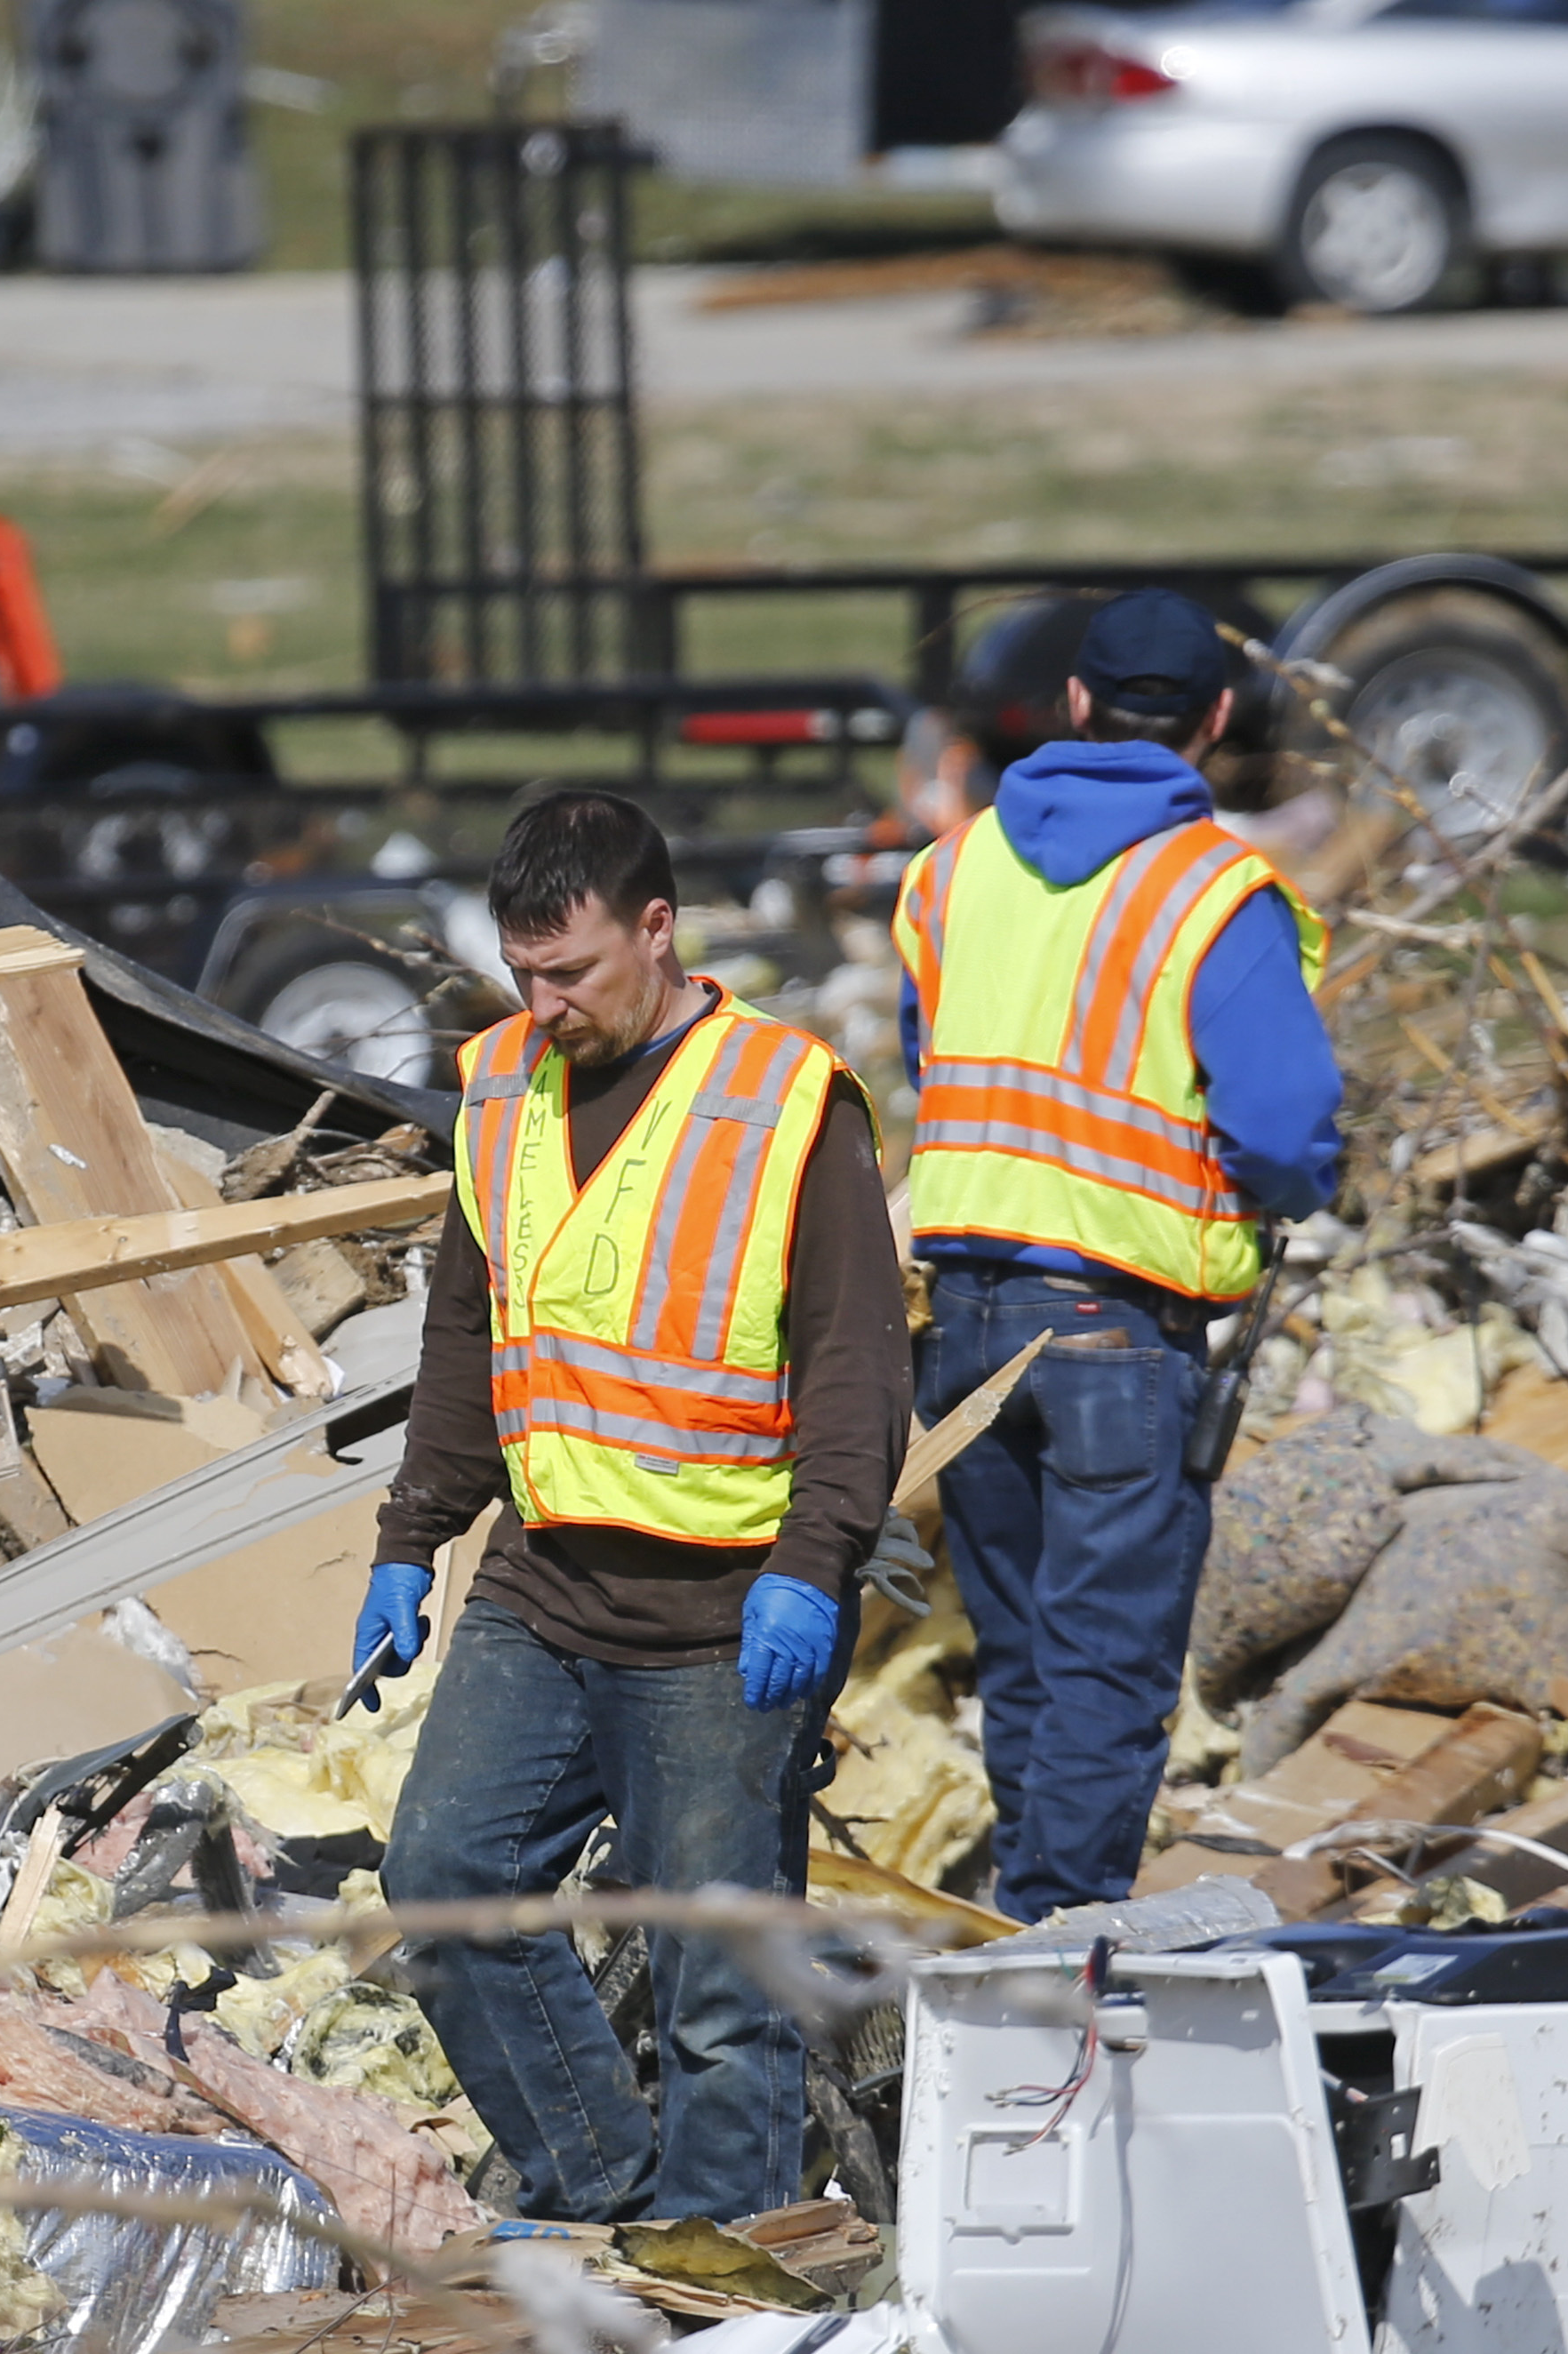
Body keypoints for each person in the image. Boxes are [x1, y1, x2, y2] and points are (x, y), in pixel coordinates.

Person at [362, 792, 905, 2226]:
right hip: (540, 1587)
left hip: (726, 1612)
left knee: (719, 1984)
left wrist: (816, 1558)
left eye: (573, 974)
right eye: (522, 973)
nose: (543, 1006)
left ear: (658, 931)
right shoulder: (497, 1087)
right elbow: (465, 1337)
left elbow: (856, 1363)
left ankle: (723, 2262)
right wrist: (410, 1537)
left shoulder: (784, 1101)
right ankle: (599, 2178)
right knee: (444, 1877)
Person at [896, 588, 1341, 1922]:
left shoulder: (956, 868)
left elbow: (933, 1060)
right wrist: (1292, 1188)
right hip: (1115, 1327)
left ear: (1074, 704)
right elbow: (1283, 1125)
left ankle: (1033, 1914)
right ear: (1214, 723)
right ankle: (1060, 1933)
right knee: (1108, 1660)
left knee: (1024, 1649)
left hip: (966, 1316)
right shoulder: (1215, 892)